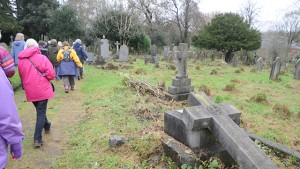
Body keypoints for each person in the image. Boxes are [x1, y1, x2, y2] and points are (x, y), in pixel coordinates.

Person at [18, 38, 55, 148]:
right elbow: (51, 74)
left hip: (30, 89)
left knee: (40, 110)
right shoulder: (42, 58)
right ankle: (37, 139)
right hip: (42, 88)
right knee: (41, 112)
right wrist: (45, 76)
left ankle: (47, 125)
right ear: (36, 46)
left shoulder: (21, 61)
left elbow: (21, 76)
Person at [0, 33, 24, 169]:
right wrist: (15, 143)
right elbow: (6, 115)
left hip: (19, 62)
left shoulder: (14, 45)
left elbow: (14, 55)